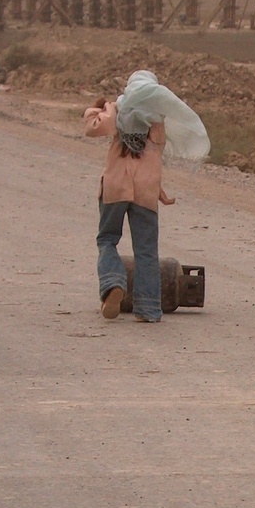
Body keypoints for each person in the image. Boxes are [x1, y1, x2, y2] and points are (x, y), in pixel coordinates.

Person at [83, 70, 209, 322]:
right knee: (146, 250)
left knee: (107, 239)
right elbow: (151, 163)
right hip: (146, 193)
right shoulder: (157, 122)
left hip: (115, 188)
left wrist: (95, 110)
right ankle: (149, 308)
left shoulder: (118, 111)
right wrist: (159, 192)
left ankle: (113, 284)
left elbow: (92, 128)